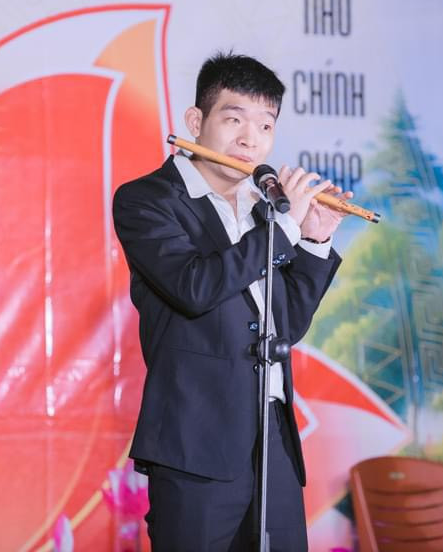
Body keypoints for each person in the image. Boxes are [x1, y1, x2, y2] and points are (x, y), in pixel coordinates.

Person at [112, 52, 349, 551]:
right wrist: (283, 229)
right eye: (234, 119)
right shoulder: (148, 200)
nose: (250, 139)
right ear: (195, 121)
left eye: (265, 125)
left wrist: (313, 240)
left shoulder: (264, 210)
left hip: (272, 440)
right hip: (195, 443)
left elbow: (283, 326)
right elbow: (193, 288)